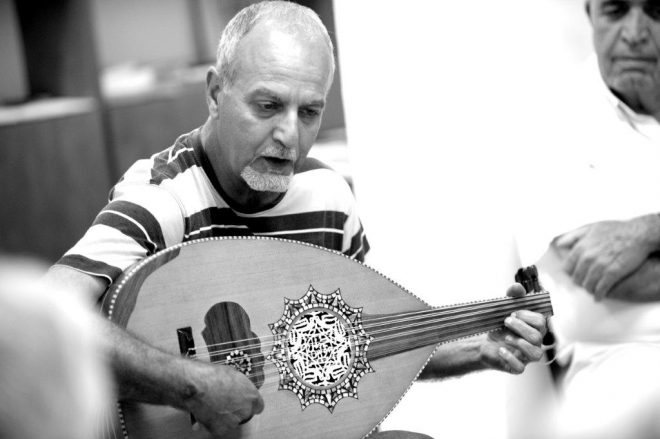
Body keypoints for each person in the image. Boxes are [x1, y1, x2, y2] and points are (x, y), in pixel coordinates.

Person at [44, 2, 547, 438]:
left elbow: (352, 347)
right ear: (216, 93)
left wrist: (479, 350)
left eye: (309, 112)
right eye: (268, 105)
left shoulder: (328, 199)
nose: (289, 135)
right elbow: (47, 314)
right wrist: (191, 386)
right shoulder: (163, 198)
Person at [513, 0, 660, 437]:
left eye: (656, 11)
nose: (635, 33)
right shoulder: (555, 123)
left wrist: (647, 230)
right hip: (619, 368)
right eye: (616, 10)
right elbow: (603, 280)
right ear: (590, 14)